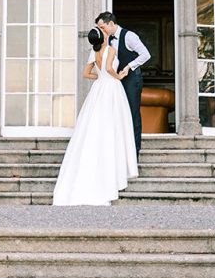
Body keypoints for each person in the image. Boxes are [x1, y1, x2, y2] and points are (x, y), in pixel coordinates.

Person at [52, 26, 138, 206]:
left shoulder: (94, 52)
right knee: (114, 124)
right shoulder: (110, 50)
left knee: (95, 124)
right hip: (111, 87)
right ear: (103, 37)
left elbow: (86, 74)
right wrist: (119, 76)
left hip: (99, 88)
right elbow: (109, 68)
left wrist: (99, 78)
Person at [95, 11, 150, 158]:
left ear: (111, 23)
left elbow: (146, 54)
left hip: (131, 79)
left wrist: (129, 66)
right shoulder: (106, 40)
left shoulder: (130, 36)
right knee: (116, 114)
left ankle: (134, 152)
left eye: (102, 27)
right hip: (114, 81)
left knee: (132, 113)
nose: (101, 30)